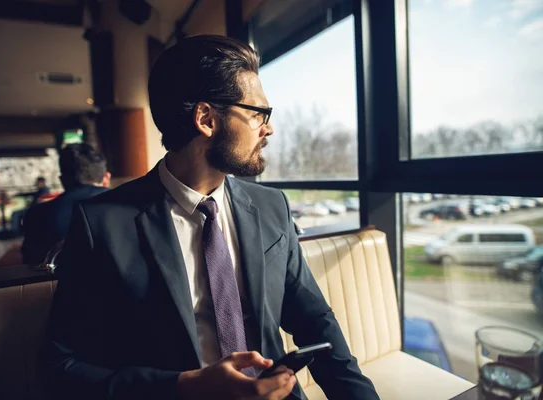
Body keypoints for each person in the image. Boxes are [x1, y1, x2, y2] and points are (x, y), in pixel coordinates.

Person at [41, 35, 379, 400]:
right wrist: (187, 386)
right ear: (206, 119)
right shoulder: (102, 224)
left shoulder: (272, 208)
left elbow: (315, 322)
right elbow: (63, 368)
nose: (269, 128)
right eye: (257, 114)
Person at [21, 144, 110, 265]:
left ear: (62, 180)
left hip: (57, 283)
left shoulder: (36, 215)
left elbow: (30, 262)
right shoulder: (129, 206)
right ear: (106, 178)